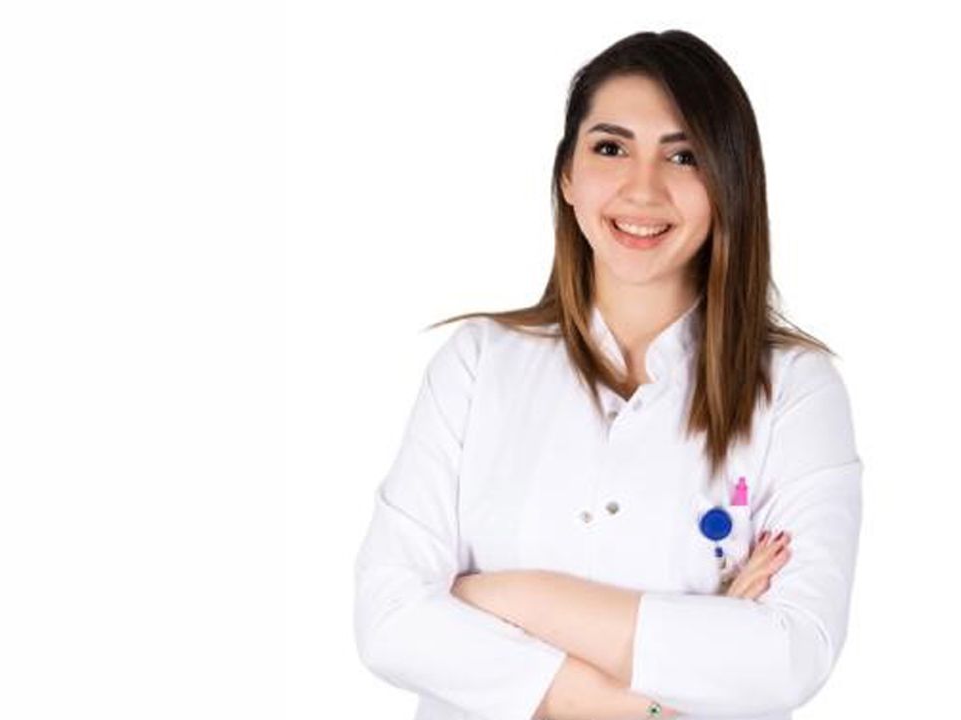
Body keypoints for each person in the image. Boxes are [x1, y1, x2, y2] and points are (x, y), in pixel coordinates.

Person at [353, 29, 864, 720]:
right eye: (611, 148)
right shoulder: (477, 365)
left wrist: (499, 595)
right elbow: (388, 620)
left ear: (729, 183)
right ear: (567, 175)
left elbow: (789, 655)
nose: (642, 188)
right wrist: (650, 697)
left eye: (683, 155)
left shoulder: (796, 389)